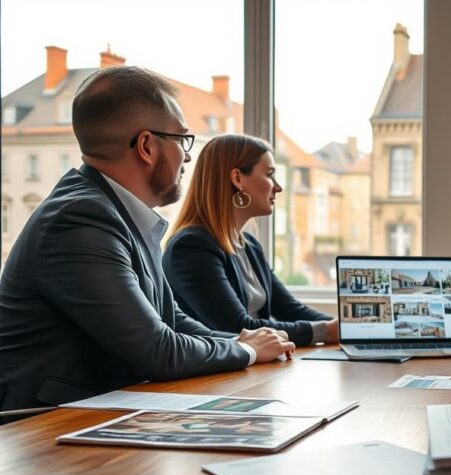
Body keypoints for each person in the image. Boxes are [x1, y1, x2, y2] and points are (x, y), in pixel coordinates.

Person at [0, 66, 294, 419]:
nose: (187, 156)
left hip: (103, 410)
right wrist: (247, 351)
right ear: (146, 146)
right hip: (46, 426)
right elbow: (156, 349)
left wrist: (238, 342)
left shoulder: (117, 211)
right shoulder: (79, 219)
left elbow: (172, 320)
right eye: (183, 140)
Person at [163, 135, 338, 346]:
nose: (278, 187)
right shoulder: (191, 248)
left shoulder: (249, 245)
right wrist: (325, 332)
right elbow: (237, 327)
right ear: (237, 178)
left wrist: (350, 328)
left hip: (254, 365)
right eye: (270, 175)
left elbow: (289, 308)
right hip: (217, 375)